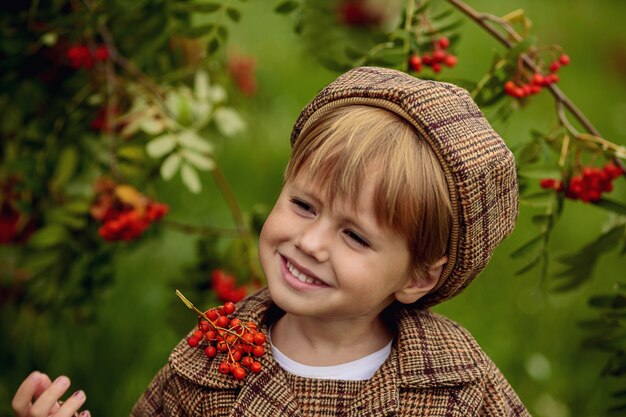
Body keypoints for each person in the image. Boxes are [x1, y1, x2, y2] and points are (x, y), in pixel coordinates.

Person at [12, 66, 528, 416]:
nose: (310, 242)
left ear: (419, 275)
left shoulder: (455, 384)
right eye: (304, 205)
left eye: (355, 236)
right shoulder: (210, 363)